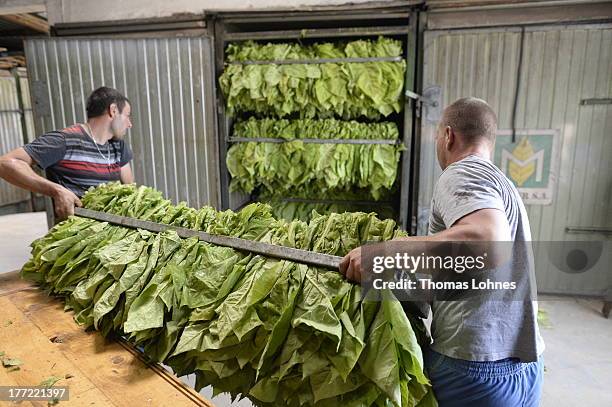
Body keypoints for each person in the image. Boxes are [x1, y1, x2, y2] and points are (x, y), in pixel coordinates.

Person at [339, 97, 544, 407]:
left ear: (449, 136)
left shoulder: (462, 174)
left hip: (475, 370)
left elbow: (486, 241)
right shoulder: (503, 184)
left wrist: (384, 253)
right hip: (525, 368)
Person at [0, 86, 134, 220]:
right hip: (77, 235)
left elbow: (130, 192)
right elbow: (5, 164)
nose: (129, 124)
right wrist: (56, 191)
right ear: (113, 110)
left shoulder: (119, 146)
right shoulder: (64, 140)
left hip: (114, 235)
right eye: (127, 116)